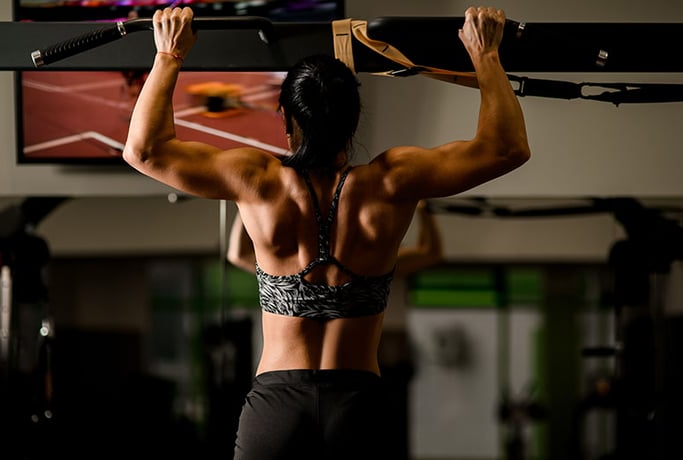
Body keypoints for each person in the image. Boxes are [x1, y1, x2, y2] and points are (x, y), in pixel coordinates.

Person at [122, 5, 530, 460]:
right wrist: (486, 57)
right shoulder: (392, 182)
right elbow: (506, 148)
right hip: (358, 405)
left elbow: (144, 151)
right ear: (355, 120)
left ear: (285, 119)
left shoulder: (258, 181)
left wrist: (169, 56)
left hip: (277, 404)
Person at [226, 199, 443, 459]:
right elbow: (431, 251)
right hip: (349, 389)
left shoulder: (284, 257)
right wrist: (423, 209)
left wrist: (246, 202)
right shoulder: (373, 258)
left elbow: (237, 254)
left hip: (296, 393)